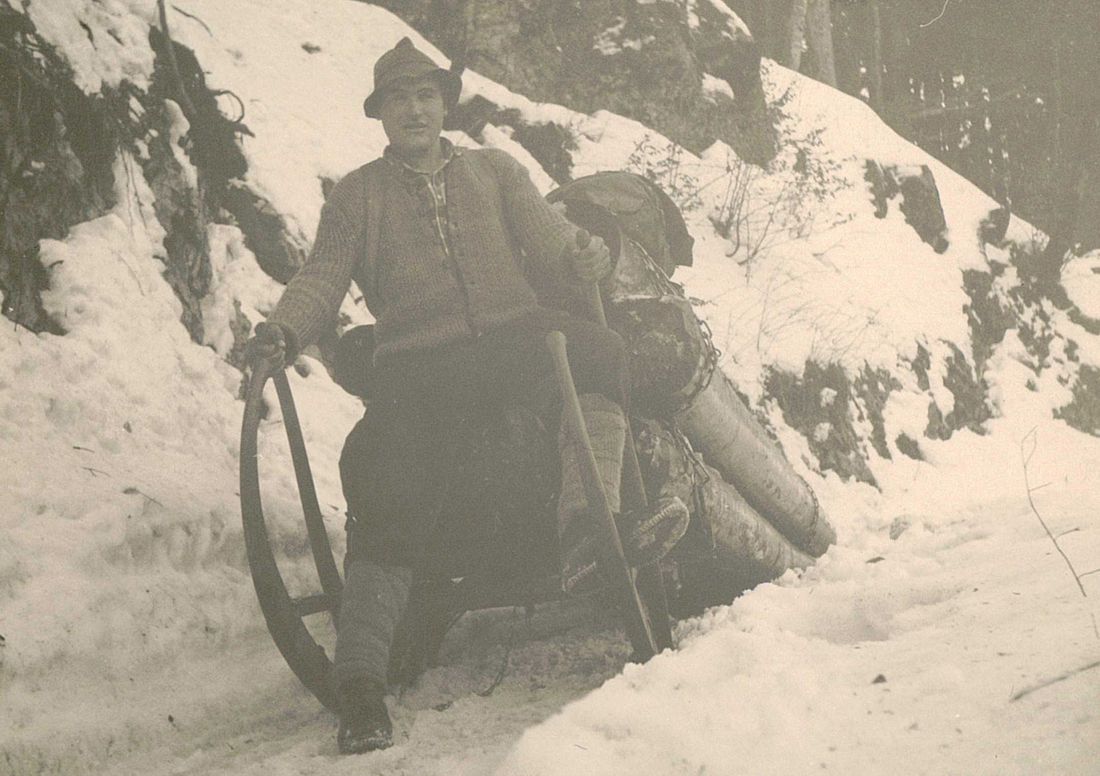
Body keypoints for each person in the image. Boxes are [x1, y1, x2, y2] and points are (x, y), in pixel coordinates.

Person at [246, 37, 688, 755]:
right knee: (381, 463)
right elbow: (323, 279)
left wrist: (588, 254)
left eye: (425, 95)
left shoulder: (495, 170)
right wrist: (283, 333)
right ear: (381, 114)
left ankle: (588, 532)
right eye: (398, 99)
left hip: (512, 338)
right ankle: (359, 684)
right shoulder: (356, 196)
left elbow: (555, 246)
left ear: (445, 105)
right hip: (421, 365)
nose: (414, 110)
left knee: (599, 352)